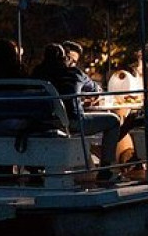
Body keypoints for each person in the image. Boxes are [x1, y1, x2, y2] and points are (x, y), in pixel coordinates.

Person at [32, 42, 122, 182]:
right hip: (71, 122)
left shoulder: (36, 74)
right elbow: (96, 91)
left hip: (42, 123)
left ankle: (35, 171)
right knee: (114, 120)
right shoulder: (73, 73)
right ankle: (105, 170)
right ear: (64, 59)